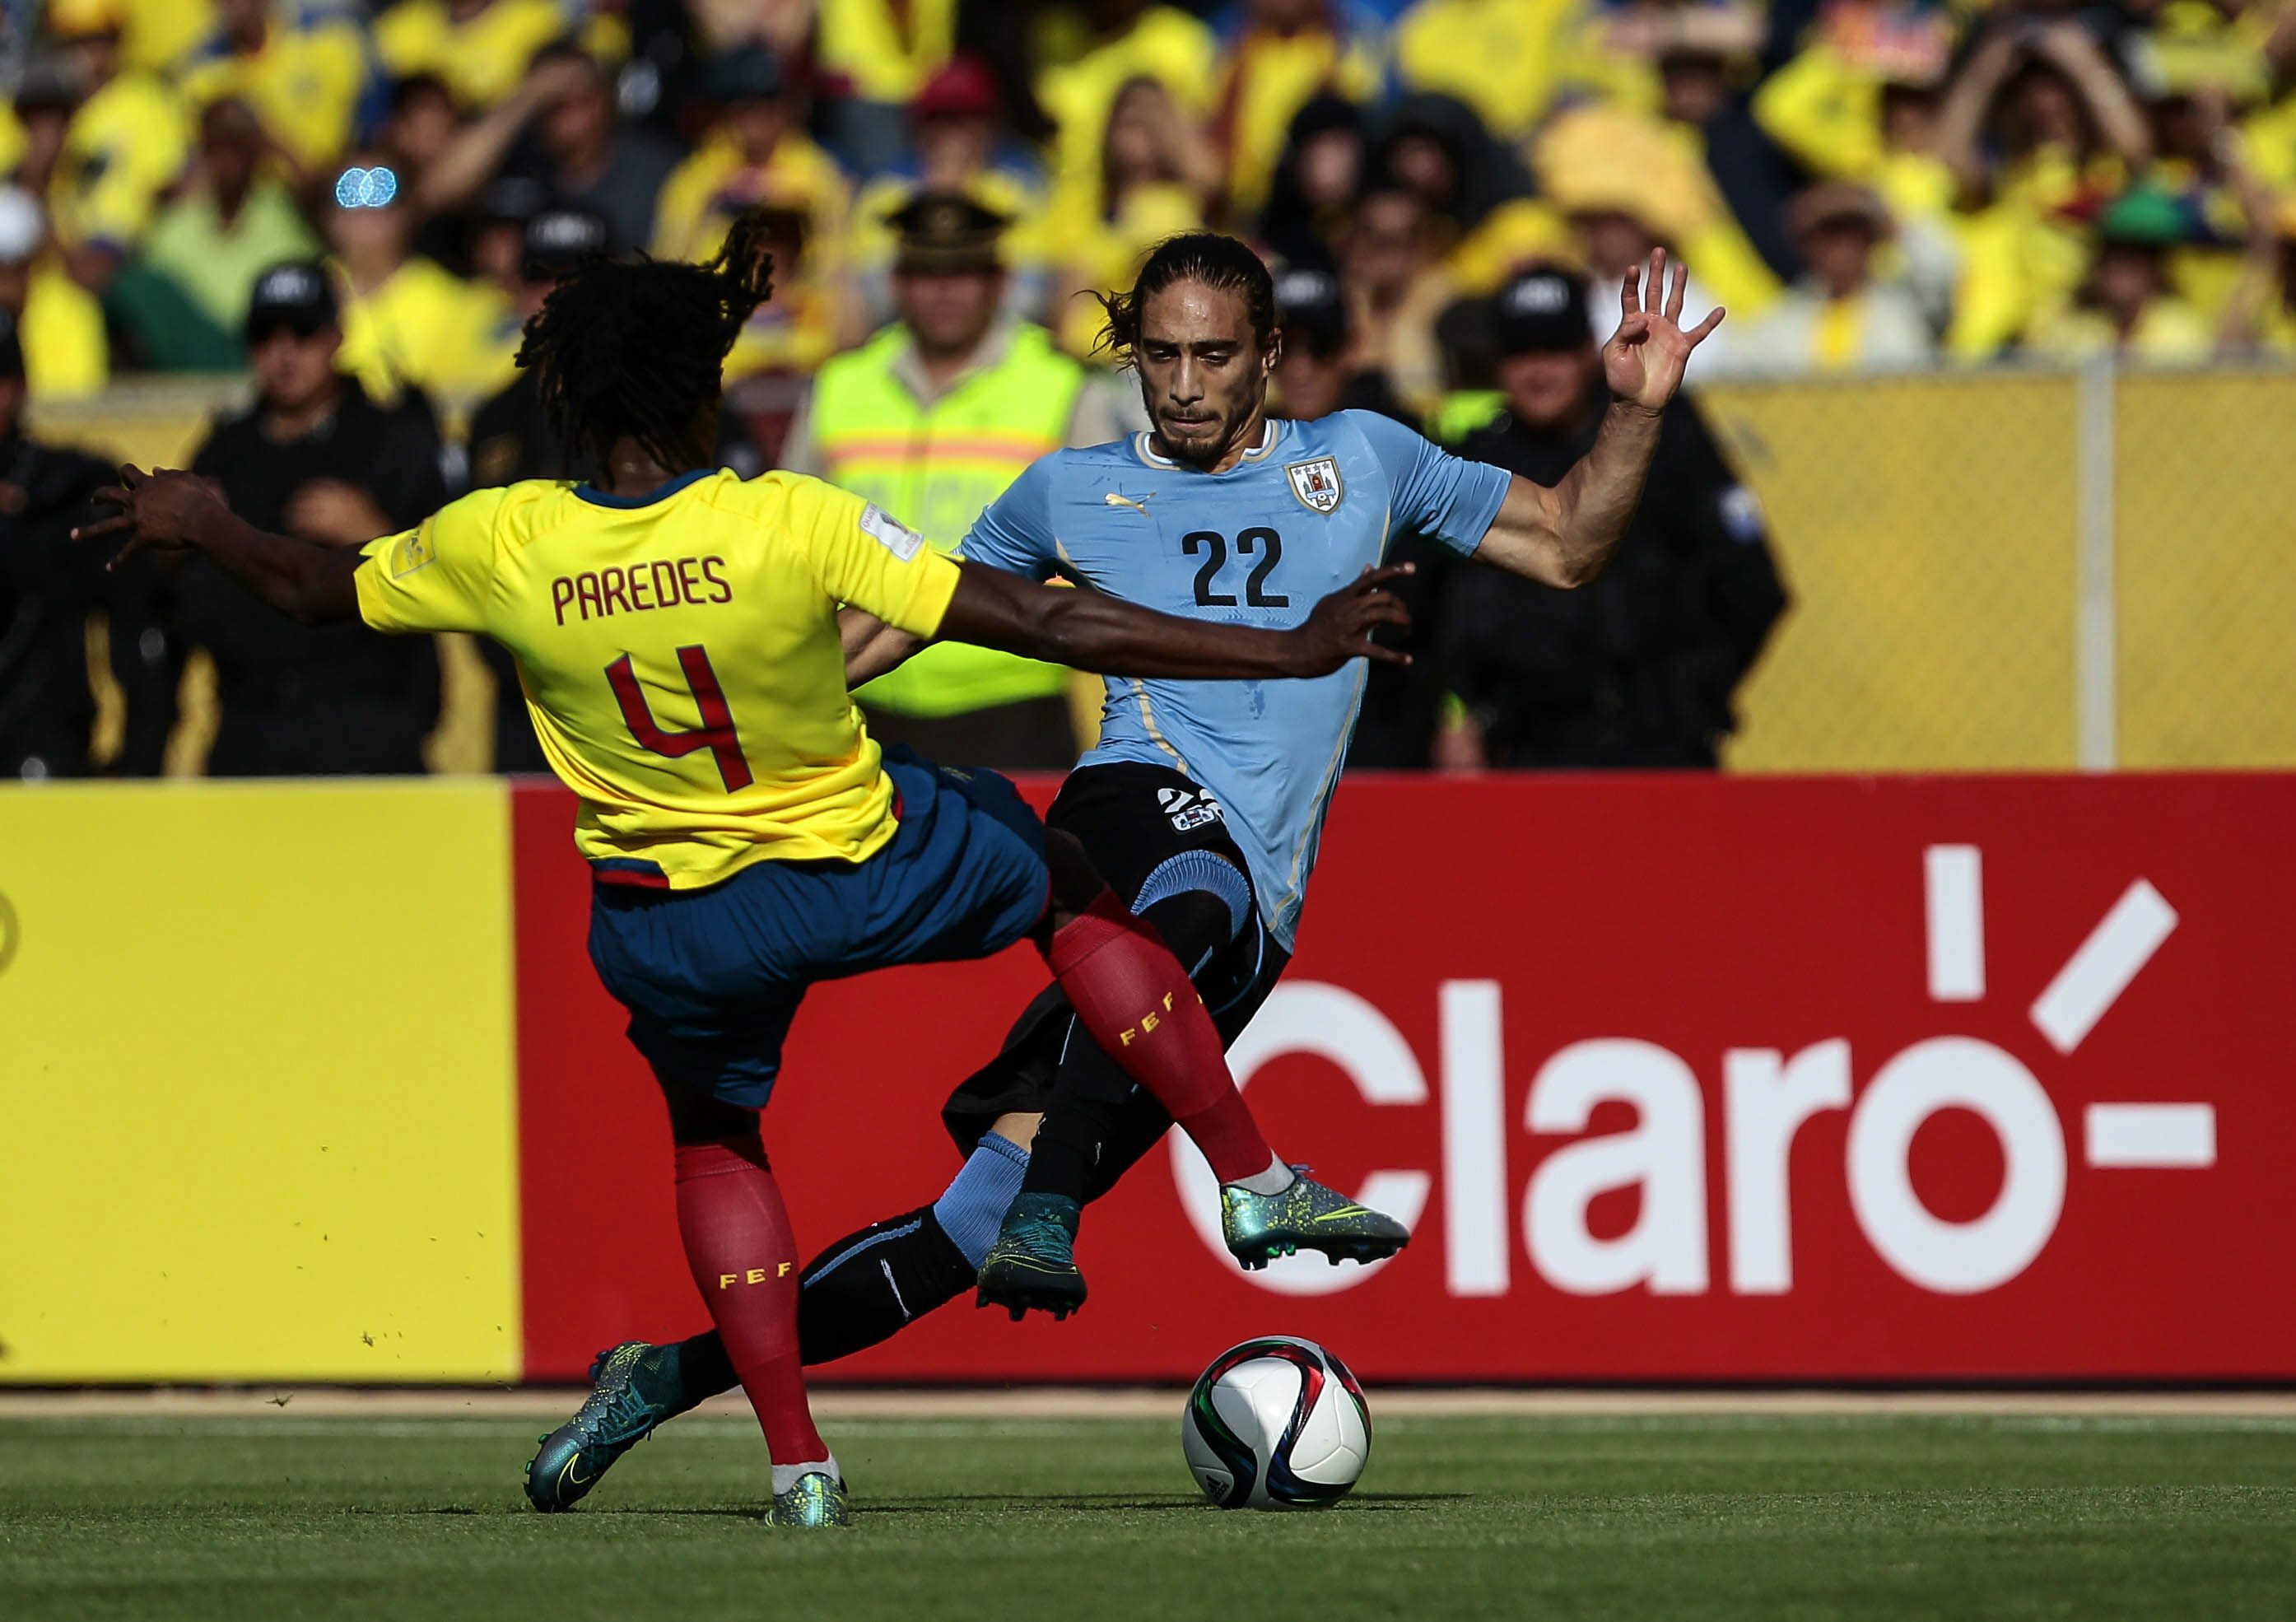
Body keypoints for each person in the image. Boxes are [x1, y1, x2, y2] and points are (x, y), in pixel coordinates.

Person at [80, 213, 1417, 1529]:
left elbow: (314, 588)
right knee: (1066, 874)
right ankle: (1249, 1175)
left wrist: (205, 517)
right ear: (697, 390)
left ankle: (797, 1467)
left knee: (714, 1138)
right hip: (855, 865)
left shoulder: (502, 538)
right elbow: (1047, 618)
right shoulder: (782, 519)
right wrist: (1284, 651)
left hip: (665, 925)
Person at [520, 231, 1723, 1507]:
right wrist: (735, 723)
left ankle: (662, 1375)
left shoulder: (1363, 459)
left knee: (960, 1236)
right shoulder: (1067, 491)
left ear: (1271, 355)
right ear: (1130, 357)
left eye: (1214, 355)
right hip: (1133, 810)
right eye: (1160, 356)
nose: (1187, 384)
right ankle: (1196, 1190)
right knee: (1177, 882)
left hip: (1246, 921)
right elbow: (895, 622)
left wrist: (1634, 413)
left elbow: (1566, 540)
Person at [783, 192, 1133, 770]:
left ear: (999, 282)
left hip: (1014, 704)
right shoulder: (839, 386)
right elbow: (791, 550)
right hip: (863, 701)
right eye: (925, 273)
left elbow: (1111, 553)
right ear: (896, 282)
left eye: (962, 273)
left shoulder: (1062, 386)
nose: (943, 291)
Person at [1438, 265, 1786, 769]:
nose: (1538, 371)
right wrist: (1470, 717)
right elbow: (1438, 606)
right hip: (1526, 754)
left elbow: (1754, 585)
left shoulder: (1663, 436)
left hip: (1660, 748)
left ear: (1588, 352)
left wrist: (1692, 698)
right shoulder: (1479, 460)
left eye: (1554, 349)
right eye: (1520, 353)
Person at [159, 261, 451, 775]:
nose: (284, 352)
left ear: (337, 337)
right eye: (265, 334)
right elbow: (184, 605)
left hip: (371, 725)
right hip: (254, 728)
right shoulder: (224, 454)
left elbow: (456, 578)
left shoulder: (394, 441)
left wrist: (381, 537)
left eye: (303, 332)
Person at [0, 310, 167, 779]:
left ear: (20, 387)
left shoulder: (69, 488)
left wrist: (137, 769)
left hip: (39, 754)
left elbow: (141, 635)